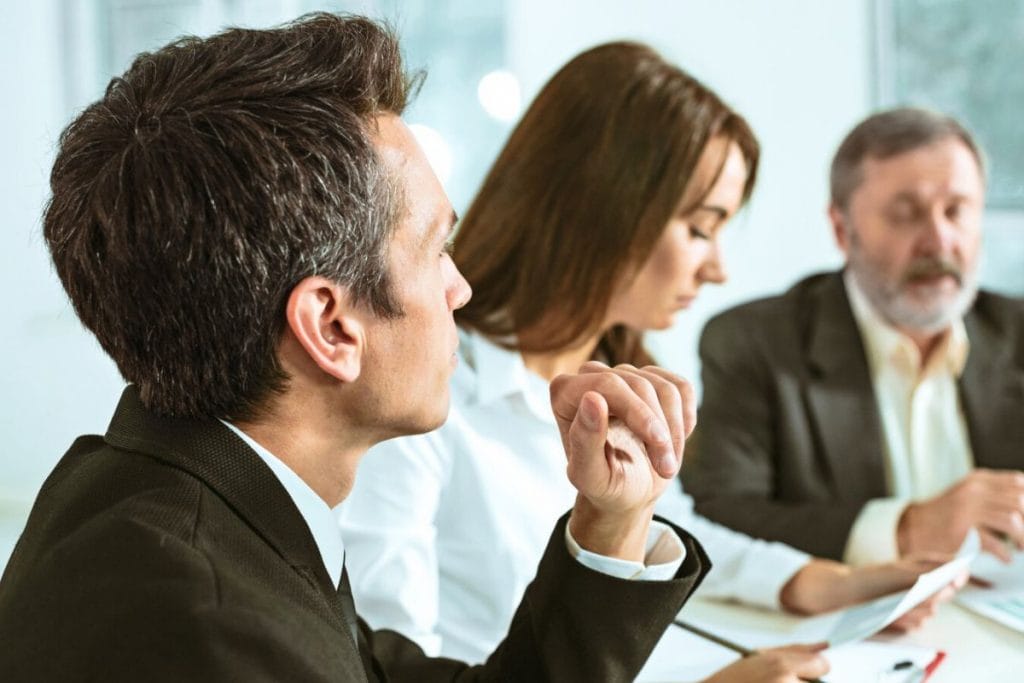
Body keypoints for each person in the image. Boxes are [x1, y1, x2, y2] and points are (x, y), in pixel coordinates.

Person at [0, 15, 718, 682]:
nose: (461, 289)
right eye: (437, 249)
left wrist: (612, 519)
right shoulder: (222, 635)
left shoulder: (174, 490)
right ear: (332, 327)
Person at [339, 45, 949, 683]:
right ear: (608, 208)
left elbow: (668, 528)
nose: (718, 269)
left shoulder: (614, 371)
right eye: (701, 228)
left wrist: (828, 582)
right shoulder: (423, 405)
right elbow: (396, 667)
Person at [683, 107, 1024, 565]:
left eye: (957, 211)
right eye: (906, 214)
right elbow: (717, 518)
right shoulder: (755, 343)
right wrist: (906, 529)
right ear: (843, 231)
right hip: (848, 627)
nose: (939, 239)